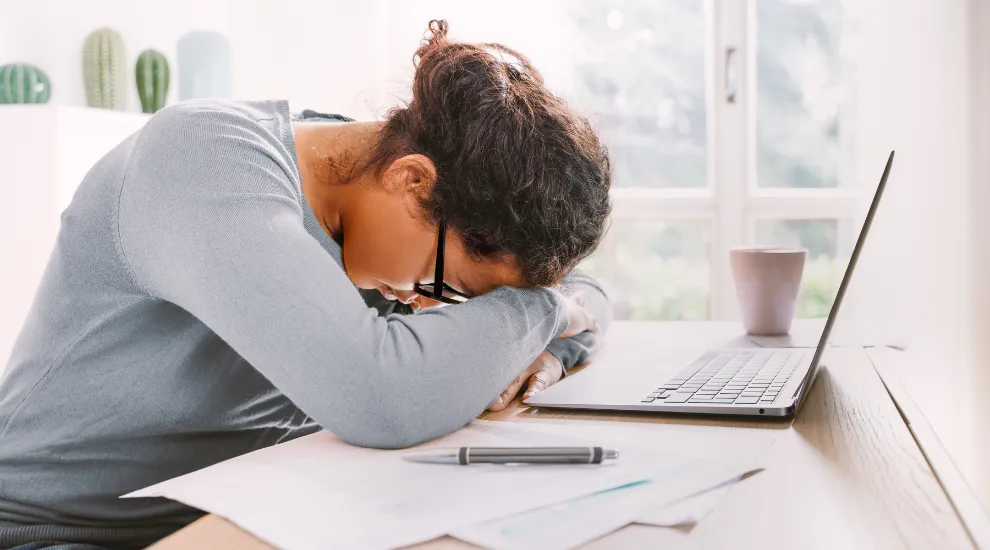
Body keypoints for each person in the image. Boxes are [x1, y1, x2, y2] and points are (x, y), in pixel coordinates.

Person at [0, 20, 612, 550]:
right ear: (411, 180)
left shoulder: (375, 196)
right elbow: (380, 397)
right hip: (58, 529)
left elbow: (593, 295)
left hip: (249, 503)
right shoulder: (202, 160)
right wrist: (548, 312)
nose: (427, 304)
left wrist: (550, 348)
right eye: (444, 284)